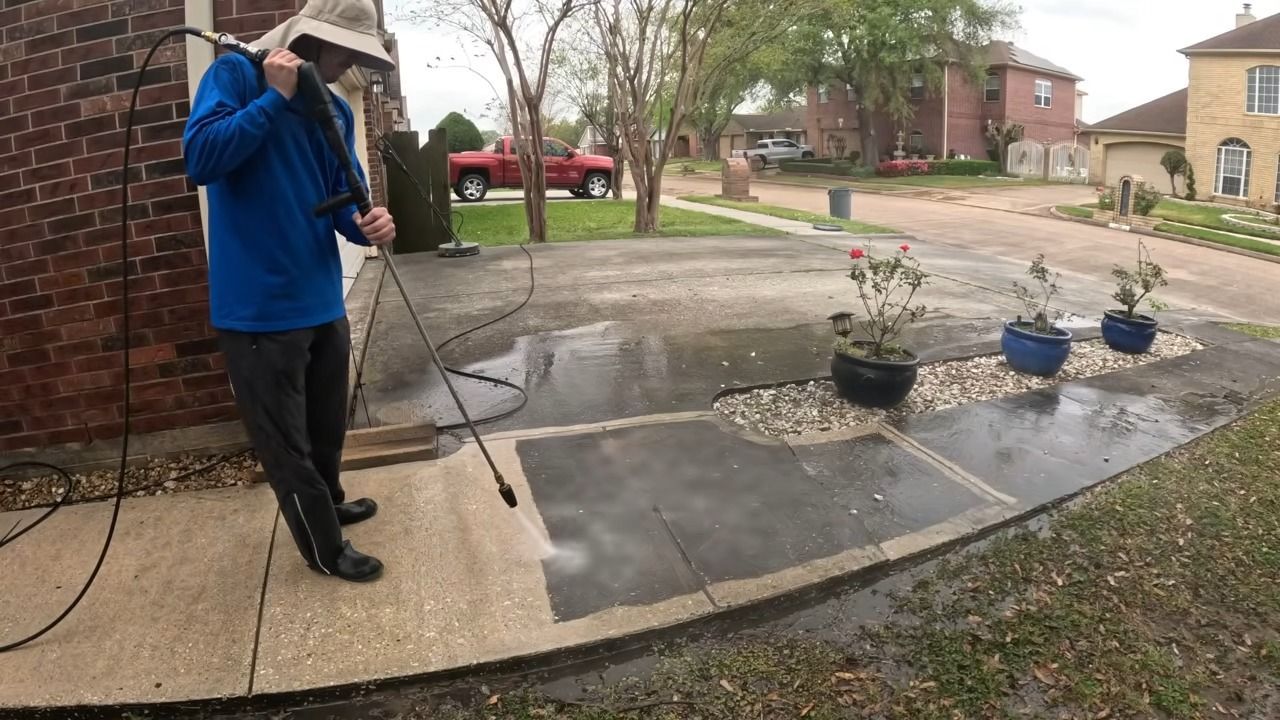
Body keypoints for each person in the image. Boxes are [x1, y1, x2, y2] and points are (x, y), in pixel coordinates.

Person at [182, 0, 397, 582]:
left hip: (321, 296)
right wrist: (273, 99)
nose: (351, 60)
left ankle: (327, 504)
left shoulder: (333, 107)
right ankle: (324, 551)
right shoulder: (234, 76)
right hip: (256, 308)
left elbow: (341, 195)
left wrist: (368, 223)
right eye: (346, 49)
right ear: (309, 38)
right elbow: (200, 158)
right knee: (287, 443)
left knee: (327, 426)